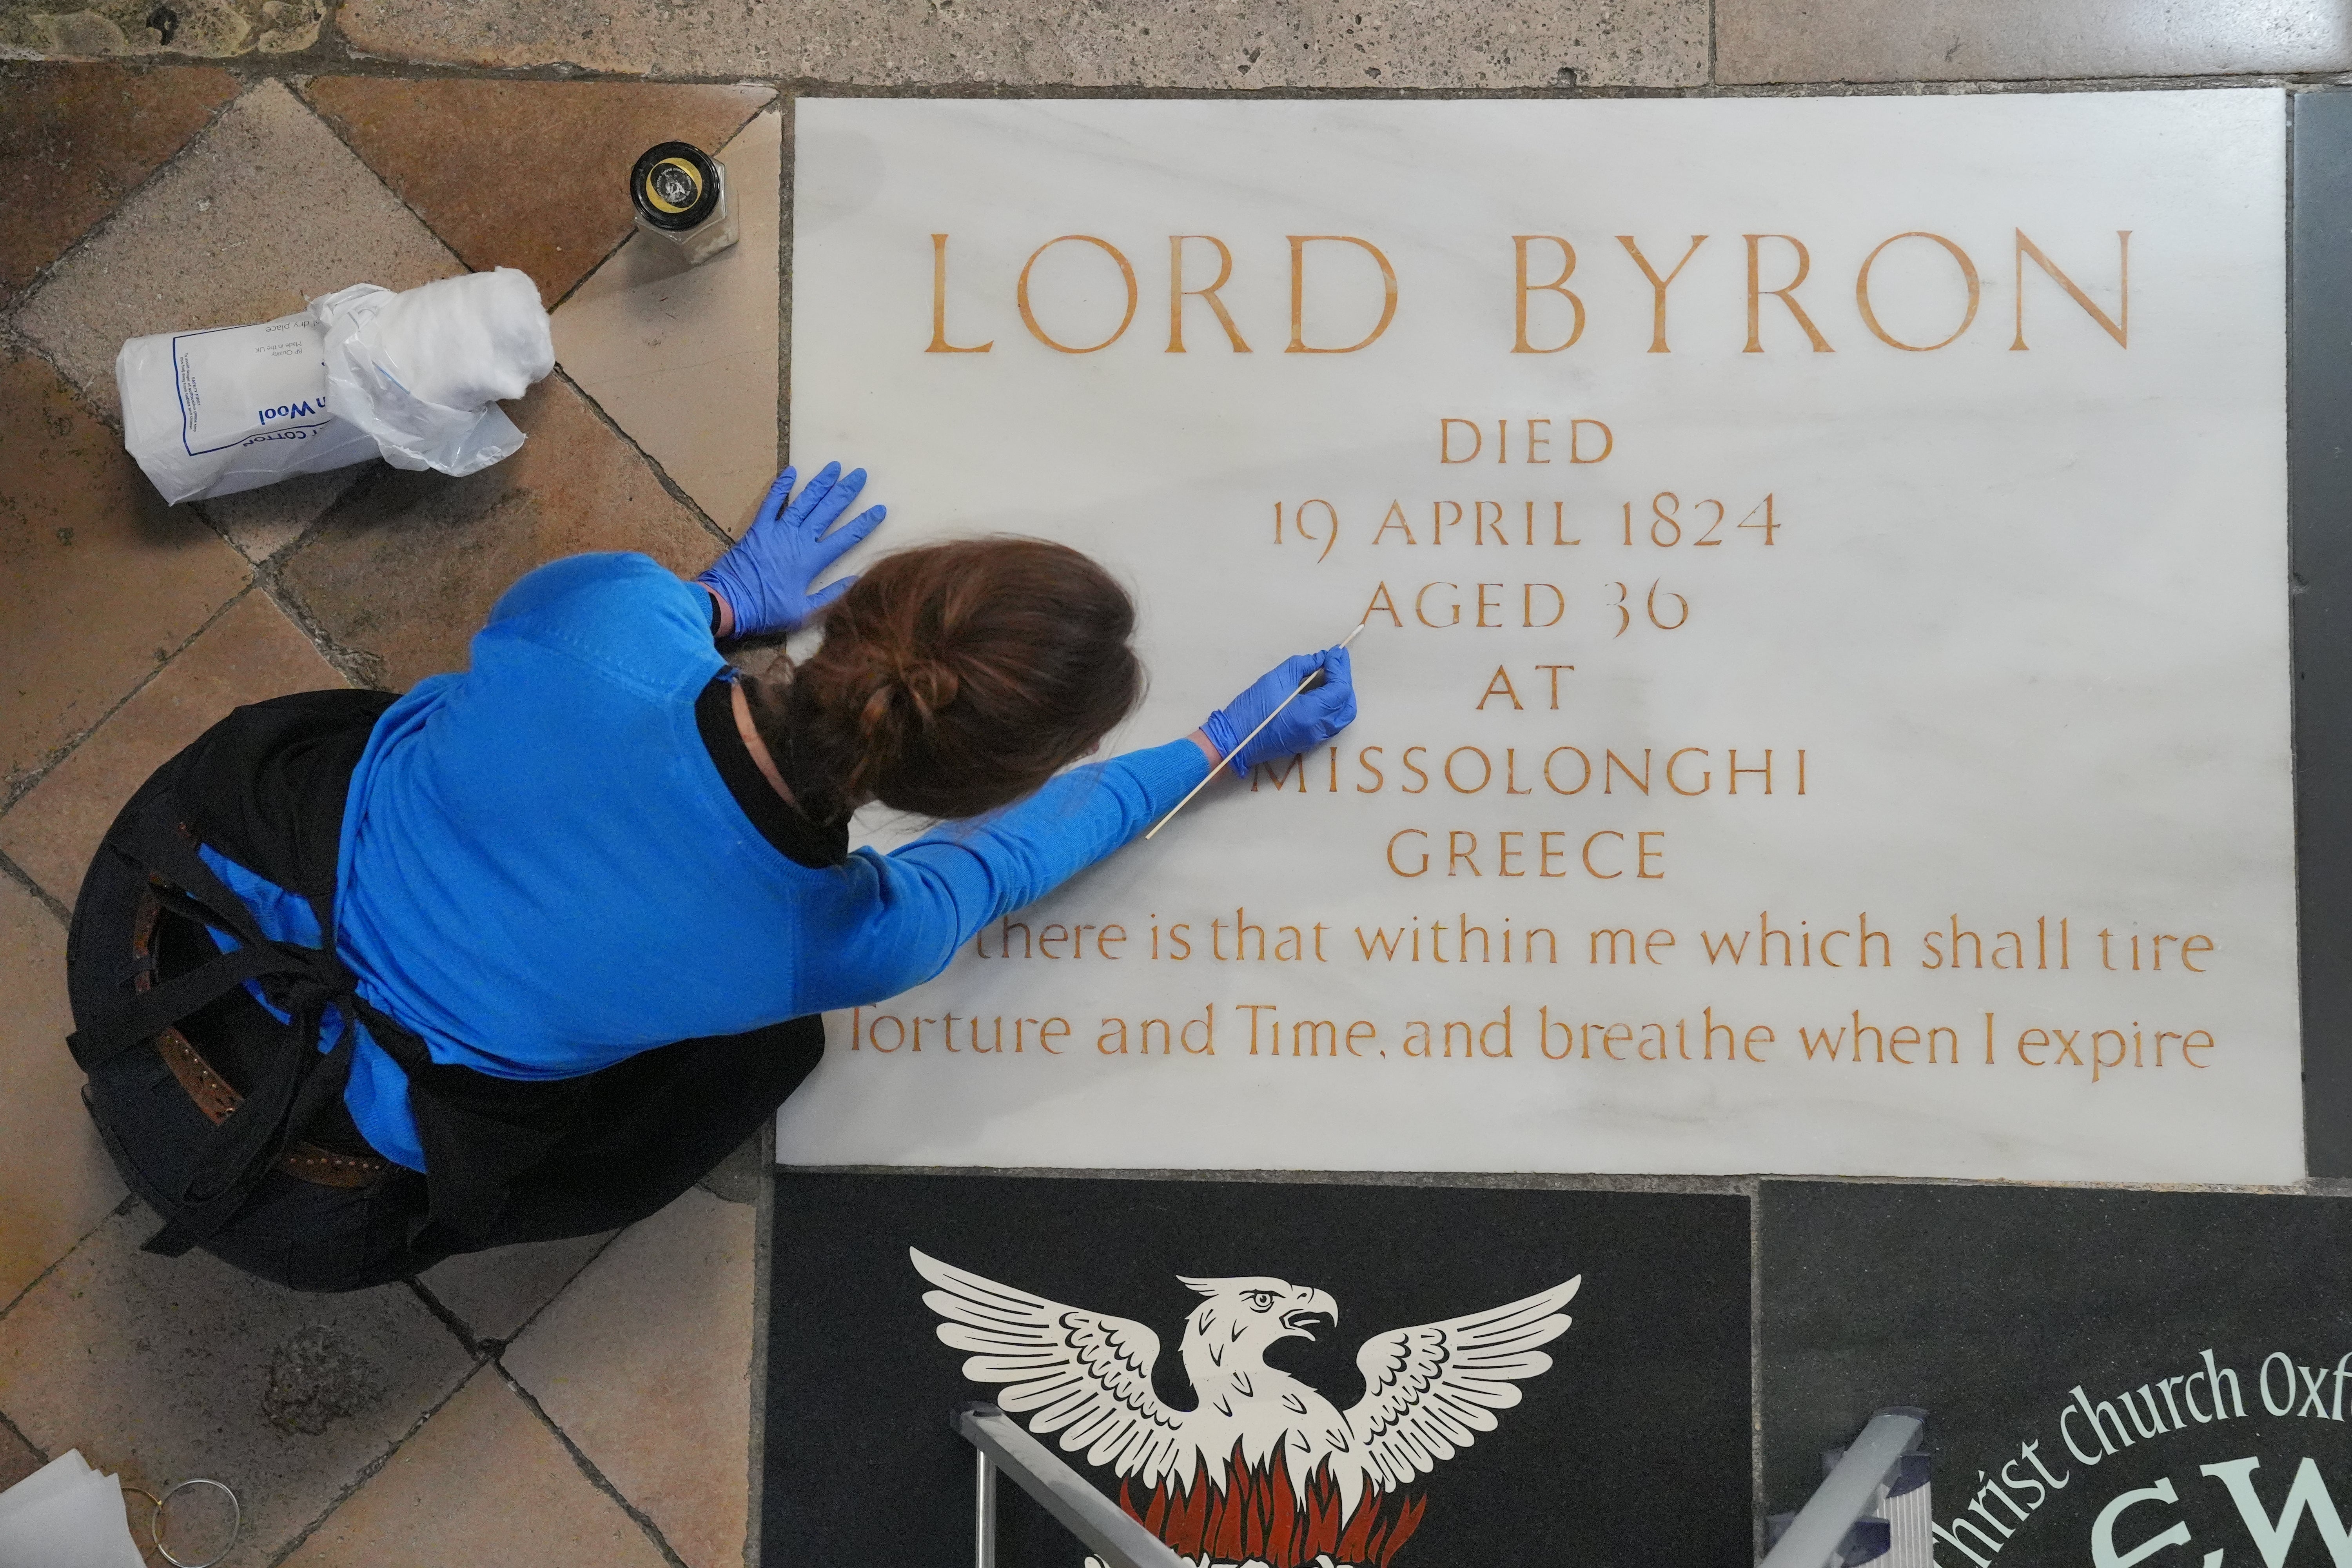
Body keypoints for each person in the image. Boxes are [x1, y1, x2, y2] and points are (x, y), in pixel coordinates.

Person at [65, 463, 1357, 1292]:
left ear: (858, 611)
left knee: (422, 730)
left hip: (163, 932)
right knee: (768, 1051)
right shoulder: (845, 941)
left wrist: (722, 599)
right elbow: (1017, 862)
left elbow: (596, 632)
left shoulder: (611, 618)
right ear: (968, 787)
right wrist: (1214, 748)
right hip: (319, 1170)